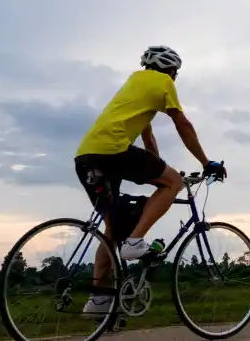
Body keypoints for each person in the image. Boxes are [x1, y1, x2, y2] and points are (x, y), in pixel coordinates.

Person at [73, 45, 226, 316]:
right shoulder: (163, 82)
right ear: (170, 70)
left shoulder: (134, 85)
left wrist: (160, 174)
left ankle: (98, 300)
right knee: (174, 184)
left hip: (86, 157)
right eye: (175, 72)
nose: (174, 77)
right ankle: (136, 242)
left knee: (112, 229)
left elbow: (147, 138)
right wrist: (205, 163)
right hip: (113, 151)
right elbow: (183, 124)